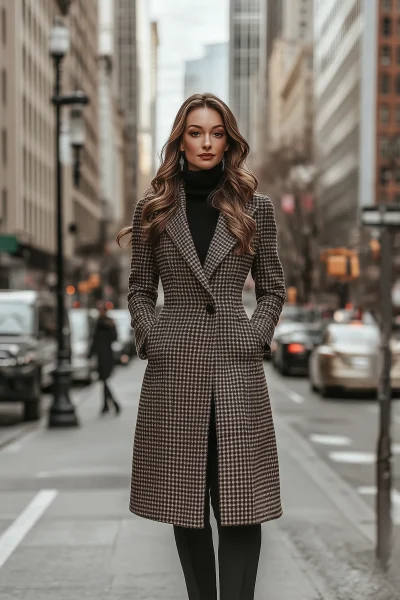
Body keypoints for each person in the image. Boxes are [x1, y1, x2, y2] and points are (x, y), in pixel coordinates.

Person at [117, 93, 286, 600]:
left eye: (216, 133)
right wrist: (155, 337)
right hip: (176, 369)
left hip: (237, 370)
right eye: (196, 132)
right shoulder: (154, 208)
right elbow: (140, 289)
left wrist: (254, 337)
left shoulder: (256, 207)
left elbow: (273, 287)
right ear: (181, 140)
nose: (207, 142)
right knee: (184, 503)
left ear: (229, 140)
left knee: (240, 506)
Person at [88, 302, 121, 415]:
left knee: (104, 380)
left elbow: (115, 337)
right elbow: (95, 340)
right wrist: (90, 354)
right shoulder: (97, 322)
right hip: (100, 355)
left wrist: (110, 326)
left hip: (107, 355)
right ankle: (106, 405)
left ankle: (114, 404)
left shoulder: (109, 322)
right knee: (103, 380)